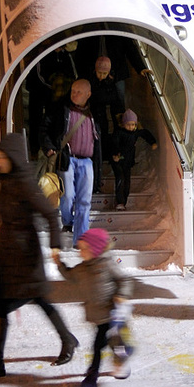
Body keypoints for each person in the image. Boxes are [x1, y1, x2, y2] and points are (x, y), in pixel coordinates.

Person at [0, 133, 79, 379]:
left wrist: (54, 247)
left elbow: (50, 215)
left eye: (1, 156)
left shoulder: (25, 183)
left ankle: (66, 341)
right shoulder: (6, 181)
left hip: (25, 257)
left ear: (14, 157)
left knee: (32, 300)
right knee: (2, 303)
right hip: (8, 255)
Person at [52, 227, 134, 387]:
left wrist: (121, 295)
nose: (80, 253)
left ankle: (91, 381)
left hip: (113, 314)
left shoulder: (106, 264)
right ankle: (122, 357)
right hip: (98, 317)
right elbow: (70, 276)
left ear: (95, 250)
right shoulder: (82, 268)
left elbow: (123, 279)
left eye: (83, 249)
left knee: (99, 347)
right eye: (79, 249)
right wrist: (59, 263)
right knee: (110, 344)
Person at [40, 78, 100, 246]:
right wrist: (49, 147)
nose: (74, 94)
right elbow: (44, 128)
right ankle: (67, 221)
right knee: (67, 195)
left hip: (87, 161)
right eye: (73, 90)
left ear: (88, 94)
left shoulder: (94, 111)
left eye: (78, 92)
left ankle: (80, 240)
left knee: (84, 201)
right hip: (67, 159)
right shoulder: (60, 107)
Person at [88, 56, 124, 192]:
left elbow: (117, 105)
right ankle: (94, 185)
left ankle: (97, 184)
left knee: (102, 153)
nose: (102, 76)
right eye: (100, 73)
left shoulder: (111, 85)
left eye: (104, 73)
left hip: (105, 123)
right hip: (92, 122)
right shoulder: (90, 82)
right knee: (95, 155)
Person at [110, 109, 157, 210]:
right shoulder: (119, 133)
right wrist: (115, 154)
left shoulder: (135, 133)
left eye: (133, 125)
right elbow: (114, 143)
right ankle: (120, 201)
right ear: (123, 124)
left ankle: (124, 201)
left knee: (127, 182)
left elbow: (145, 133)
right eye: (128, 124)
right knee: (120, 179)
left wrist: (153, 142)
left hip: (127, 161)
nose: (131, 127)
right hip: (117, 161)